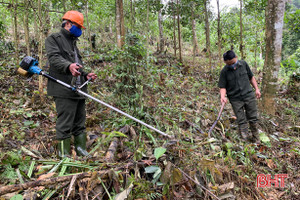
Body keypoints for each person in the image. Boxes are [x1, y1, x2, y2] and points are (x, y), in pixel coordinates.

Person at [45, 10, 97, 157]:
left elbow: (77, 65)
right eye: (78, 26)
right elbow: (54, 59)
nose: (79, 30)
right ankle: (64, 155)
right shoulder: (54, 39)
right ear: (68, 24)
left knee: (80, 123)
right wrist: (68, 66)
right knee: (65, 123)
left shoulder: (73, 43)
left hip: (79, 89)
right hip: (63, 88)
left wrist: (86, 75)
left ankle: (81, 150)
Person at [218, 50, 261, 142]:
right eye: (228, 64)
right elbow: (222, 86)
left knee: (253, 117)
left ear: (236, 58)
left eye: (232, 63)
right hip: (235, 99)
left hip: (248, 95)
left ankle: (256, 138)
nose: (231, 66)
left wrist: (256, 89)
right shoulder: (224, 72)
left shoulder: (244, 64)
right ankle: (245, 140)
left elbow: (251, 77)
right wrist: (222, 96)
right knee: (241, 120)